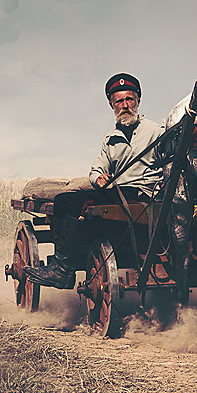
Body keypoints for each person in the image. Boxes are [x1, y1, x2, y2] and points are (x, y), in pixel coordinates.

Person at [25, 73, 165, 289]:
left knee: (66, 201)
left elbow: (169, 162)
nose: (125, 105)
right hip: (118, 193)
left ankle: (62, 270)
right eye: (119, 101)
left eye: (129, 99)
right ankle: (62, 269)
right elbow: (98, 166)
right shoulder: (110, 140)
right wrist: (98, 178)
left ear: (138, 100)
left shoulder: (156, 132)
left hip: (142, 193)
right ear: (112, 105)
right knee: (66, 199)